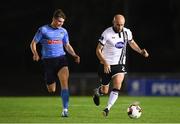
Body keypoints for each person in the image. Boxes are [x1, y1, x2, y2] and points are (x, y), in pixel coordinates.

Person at [93, 14, 149, 117]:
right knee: (105, 90)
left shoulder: (127, 32)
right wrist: (105, 62)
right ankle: (98, 91)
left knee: (118, 85)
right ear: (113, 22)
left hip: (120, 64)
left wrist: (141, 51)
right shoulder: (107, 33)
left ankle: (107, 108)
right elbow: (97, 51)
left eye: (122, 25)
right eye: (118, 25)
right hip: (106, 64)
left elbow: (132, 43)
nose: (120, 27)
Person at [30, 9, 80, 117]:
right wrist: (35, 53)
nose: (60, 24)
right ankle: (50, 82)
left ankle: (65, 110)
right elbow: (33, 43)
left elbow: (67, 45)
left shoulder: (63, 31)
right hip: (48, 62)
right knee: (51, 89)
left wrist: (74, 55)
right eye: (59, 21)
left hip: (61, 59)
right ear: (53, 19)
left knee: (64, 84)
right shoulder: (43, 30)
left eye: (62, 22)